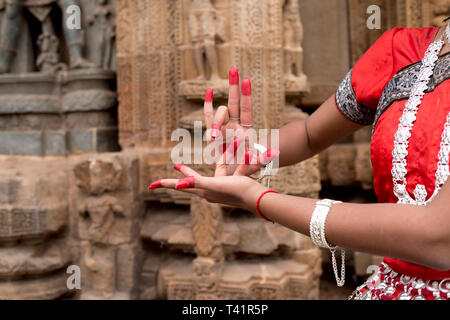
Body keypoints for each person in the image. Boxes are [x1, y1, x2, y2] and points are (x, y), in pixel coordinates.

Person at [149, 21, 450, 300]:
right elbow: (309, 134)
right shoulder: (402, 49)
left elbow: (438, 239)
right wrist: (247, 149)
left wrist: (259, 199)